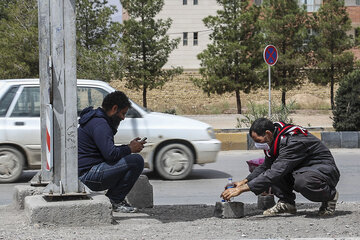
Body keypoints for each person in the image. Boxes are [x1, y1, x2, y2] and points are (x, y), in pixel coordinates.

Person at [221, 118, 340, 216]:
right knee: (273, 169)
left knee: (302, 181)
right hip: (302, 170)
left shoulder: (292, 142)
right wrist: (243, 182)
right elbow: (267, 166)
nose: (257, 144)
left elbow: (275, 171)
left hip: (323, 171)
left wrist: (241, 190)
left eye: (258, 140)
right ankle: (287, 203)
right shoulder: (277, 138)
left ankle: (330, 195)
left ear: (268, 134)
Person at [78, 91, 145, 213]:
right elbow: (111, 155)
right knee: (136, 161)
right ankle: (115, 200)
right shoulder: (101, 124)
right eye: (123, 113)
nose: (123, 118)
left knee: (130, 159)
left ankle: (115, 199)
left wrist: (129, 147)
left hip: (84, 172)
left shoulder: (96, 120)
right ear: (115, 108)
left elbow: (108, 152)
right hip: (87, 175)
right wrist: (130, 149)